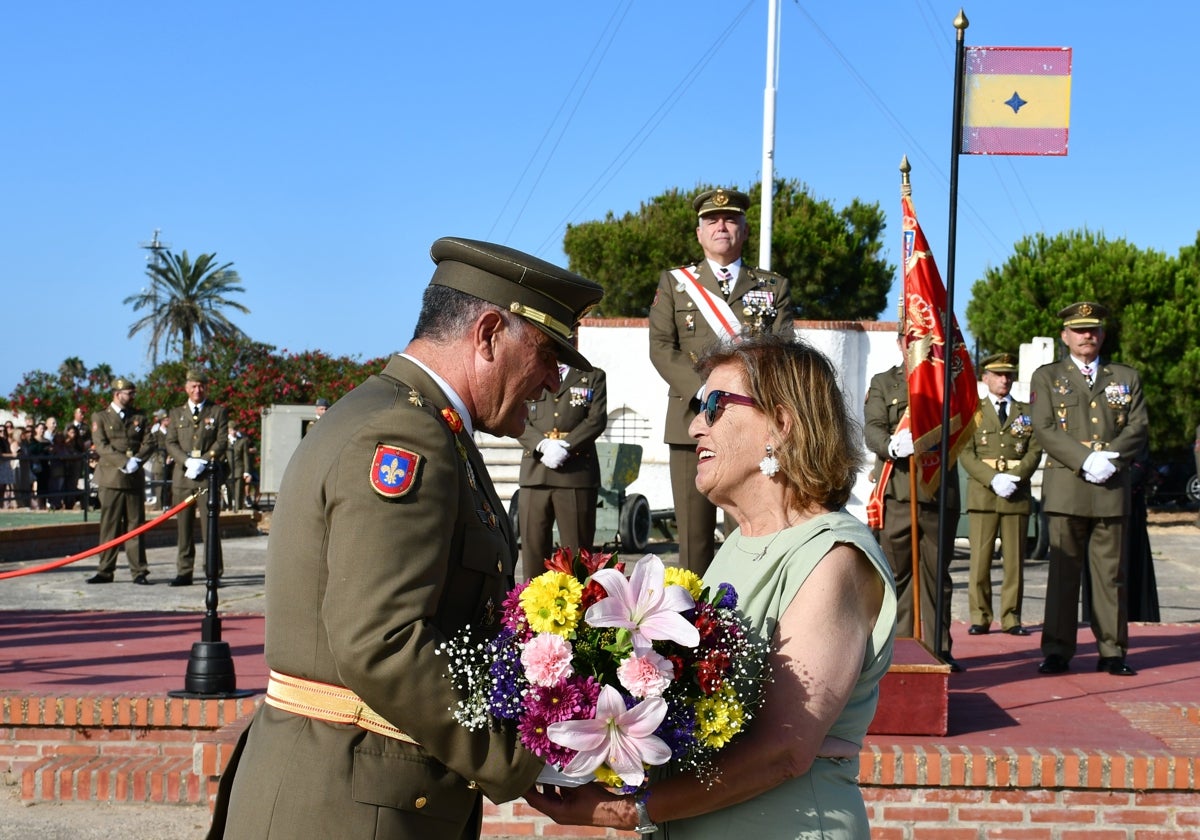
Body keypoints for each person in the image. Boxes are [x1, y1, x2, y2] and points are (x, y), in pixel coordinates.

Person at [208, 237, 604, 840]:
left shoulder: (416, 422)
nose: (553, 384)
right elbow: (383, 640)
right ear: (490, 333)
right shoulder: (405, 435)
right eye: (548, 354)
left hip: (360, 792)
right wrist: (523, 755)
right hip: (348, 807)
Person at [527, 333, 896, 839]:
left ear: (782, 424)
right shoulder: (734, 546)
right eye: (699, 406)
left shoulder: (832, 557)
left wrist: (624, 810)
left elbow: (784, 749)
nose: (695, 424)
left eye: (715, 406)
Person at [649, 187, 794, 575]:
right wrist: (705, 391)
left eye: (731, 219)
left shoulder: (772, 287)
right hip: (690, 423)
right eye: (712, 220)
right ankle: (694, 630)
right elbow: (661, 348)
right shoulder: (676, 283)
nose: (721, 226)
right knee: (693, 541)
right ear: (699, 233)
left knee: (750, 529)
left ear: (744, 230)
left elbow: (783, 350)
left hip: (750, 421)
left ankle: (746, 622)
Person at [1030, 301, 1148, 677]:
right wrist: (1084, 460)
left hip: (1111, 487)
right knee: (1063, 573)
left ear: (1103, 334)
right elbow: (1044, 428)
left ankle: (1112, 650)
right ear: (1065, 335)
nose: (1087, 336)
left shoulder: (1125, 377)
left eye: (1093, 329)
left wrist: (1111, 458)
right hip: (1067, 488)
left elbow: (1138, 426)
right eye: (1079, 330)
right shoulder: (1047, 377)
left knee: (1110, 576)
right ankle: (1057, 650)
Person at [863, 350, 963, 670]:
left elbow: (963, 423)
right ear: (900, 340)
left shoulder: (947, 382)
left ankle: (938, 650)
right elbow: (873, 426)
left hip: (936, 491)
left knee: (936, 576)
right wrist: (891, 444)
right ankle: (900, 649)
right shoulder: (884, 382)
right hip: (898, 492)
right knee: (896, 576)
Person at [959, 352, 1043, 636]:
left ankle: (1011, 618)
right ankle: (980, 616)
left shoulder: (1025, 412)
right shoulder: (974, 411)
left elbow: (1035, 449)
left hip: (1016, 493)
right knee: (980, 562)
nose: (1003, 380)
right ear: (985, 378)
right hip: (984, 493)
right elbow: (965, 453)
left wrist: (1015, 477)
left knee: (1014, 562)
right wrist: (993, 478)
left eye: (1008, 375)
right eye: (997, 374)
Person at [516, 363, 608, 579]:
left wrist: (567, 446)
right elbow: (516, 414)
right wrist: (542, 445)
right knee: (533, 552)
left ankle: (578, 609)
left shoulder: (592, 376)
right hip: (536, 472)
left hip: (576, 474)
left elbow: (596, 419)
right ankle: (531, 608)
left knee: (577, 555)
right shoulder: (528, 371)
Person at [87, 378, 156, 584]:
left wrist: (137, 460)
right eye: (129, 393)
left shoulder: (140, 417)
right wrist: (123, 462)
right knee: (110, 526)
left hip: (133, 478)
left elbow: (150, 442)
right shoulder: (101, 416)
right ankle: (105, 570)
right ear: (117, 394)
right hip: (111, 478)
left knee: (136, 526)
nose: (132, 397)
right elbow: (101, 445)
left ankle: (139, 571)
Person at [164, 369, 229, 586]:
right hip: (183, 478)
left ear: (206, 387)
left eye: (201, 386)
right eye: (193, 386)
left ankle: (213, 571)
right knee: (183, 529)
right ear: (186, 388)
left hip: (207, 477)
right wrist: (186, 461)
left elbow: (221, 441)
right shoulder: (176, 413)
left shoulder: (217, 411)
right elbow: (170, 442)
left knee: (210, 528)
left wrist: (204, 459)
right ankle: (184, 571)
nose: (197, 390)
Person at [223, 418, 252, 512]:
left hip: (239, 469)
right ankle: (229, 508)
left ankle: (238, 510)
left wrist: (247, 471)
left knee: (238, 492)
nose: (233, 432)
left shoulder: (242, 441)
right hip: (228, 470)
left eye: (235, 430)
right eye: (231, 430)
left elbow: (246, 456)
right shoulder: (224, 441)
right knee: (228, 492)